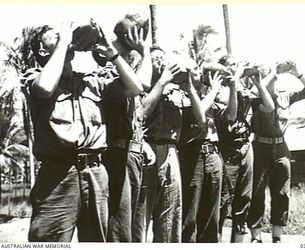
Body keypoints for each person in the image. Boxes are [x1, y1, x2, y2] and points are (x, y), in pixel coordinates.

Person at [21, 21, 143, 242]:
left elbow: (136, 88)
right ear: (42, 49)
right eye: (55, 36)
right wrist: (65, 40)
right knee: (48, 243)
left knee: (98, 241)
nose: (63, 37)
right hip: (57, 175)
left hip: (96, 171)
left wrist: (111, 52)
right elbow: (45, 88)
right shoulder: (34, 76)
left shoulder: (91, 80)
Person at [95, 12, 154, 242]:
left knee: (136, 228)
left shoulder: (128, 61)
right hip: (117, 152)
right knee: (120, 230)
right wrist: (144, 51)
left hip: (134, 152)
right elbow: (142, 84)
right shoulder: (106, 58)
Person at [137, 47, 203, 242]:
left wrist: (189, 85)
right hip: (146, 150)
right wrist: (162, 81)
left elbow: (200, 120)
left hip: (171, 151)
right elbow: (141, 113)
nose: (160, 63)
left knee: (170, 216)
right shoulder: (141, 85)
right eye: (155, 59)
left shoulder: (177, 90)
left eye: (162, 59)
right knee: (140, 218)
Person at [247, 61, 305, 243]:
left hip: (281, 147)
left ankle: (277, 236)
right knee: (257, 192)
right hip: (260, 147)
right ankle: (256, 236)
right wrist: (273, 72)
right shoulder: (255, 96)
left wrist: (297, 73)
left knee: (282, 192)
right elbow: (263, 97)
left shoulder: (285, 96)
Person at [178, 63, 236, 242]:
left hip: (212, 154)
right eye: (196, 71)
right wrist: (215, 89)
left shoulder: (208, 96)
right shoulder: (182, 93)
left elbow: (232, 115)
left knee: (212, 213)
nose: (201, 74)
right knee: (190, 214)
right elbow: (200, 114)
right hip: (192, 155)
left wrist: (233, 88)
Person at [216, 60, 255, 243]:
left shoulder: (241, 87)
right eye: (231, 64)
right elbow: (227, 108)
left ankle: (238, 243)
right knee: (223, 201)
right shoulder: (218, 87)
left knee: (244, 200)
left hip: (245, 146)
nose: (235, 67)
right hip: (227, 149)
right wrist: (236, 76)